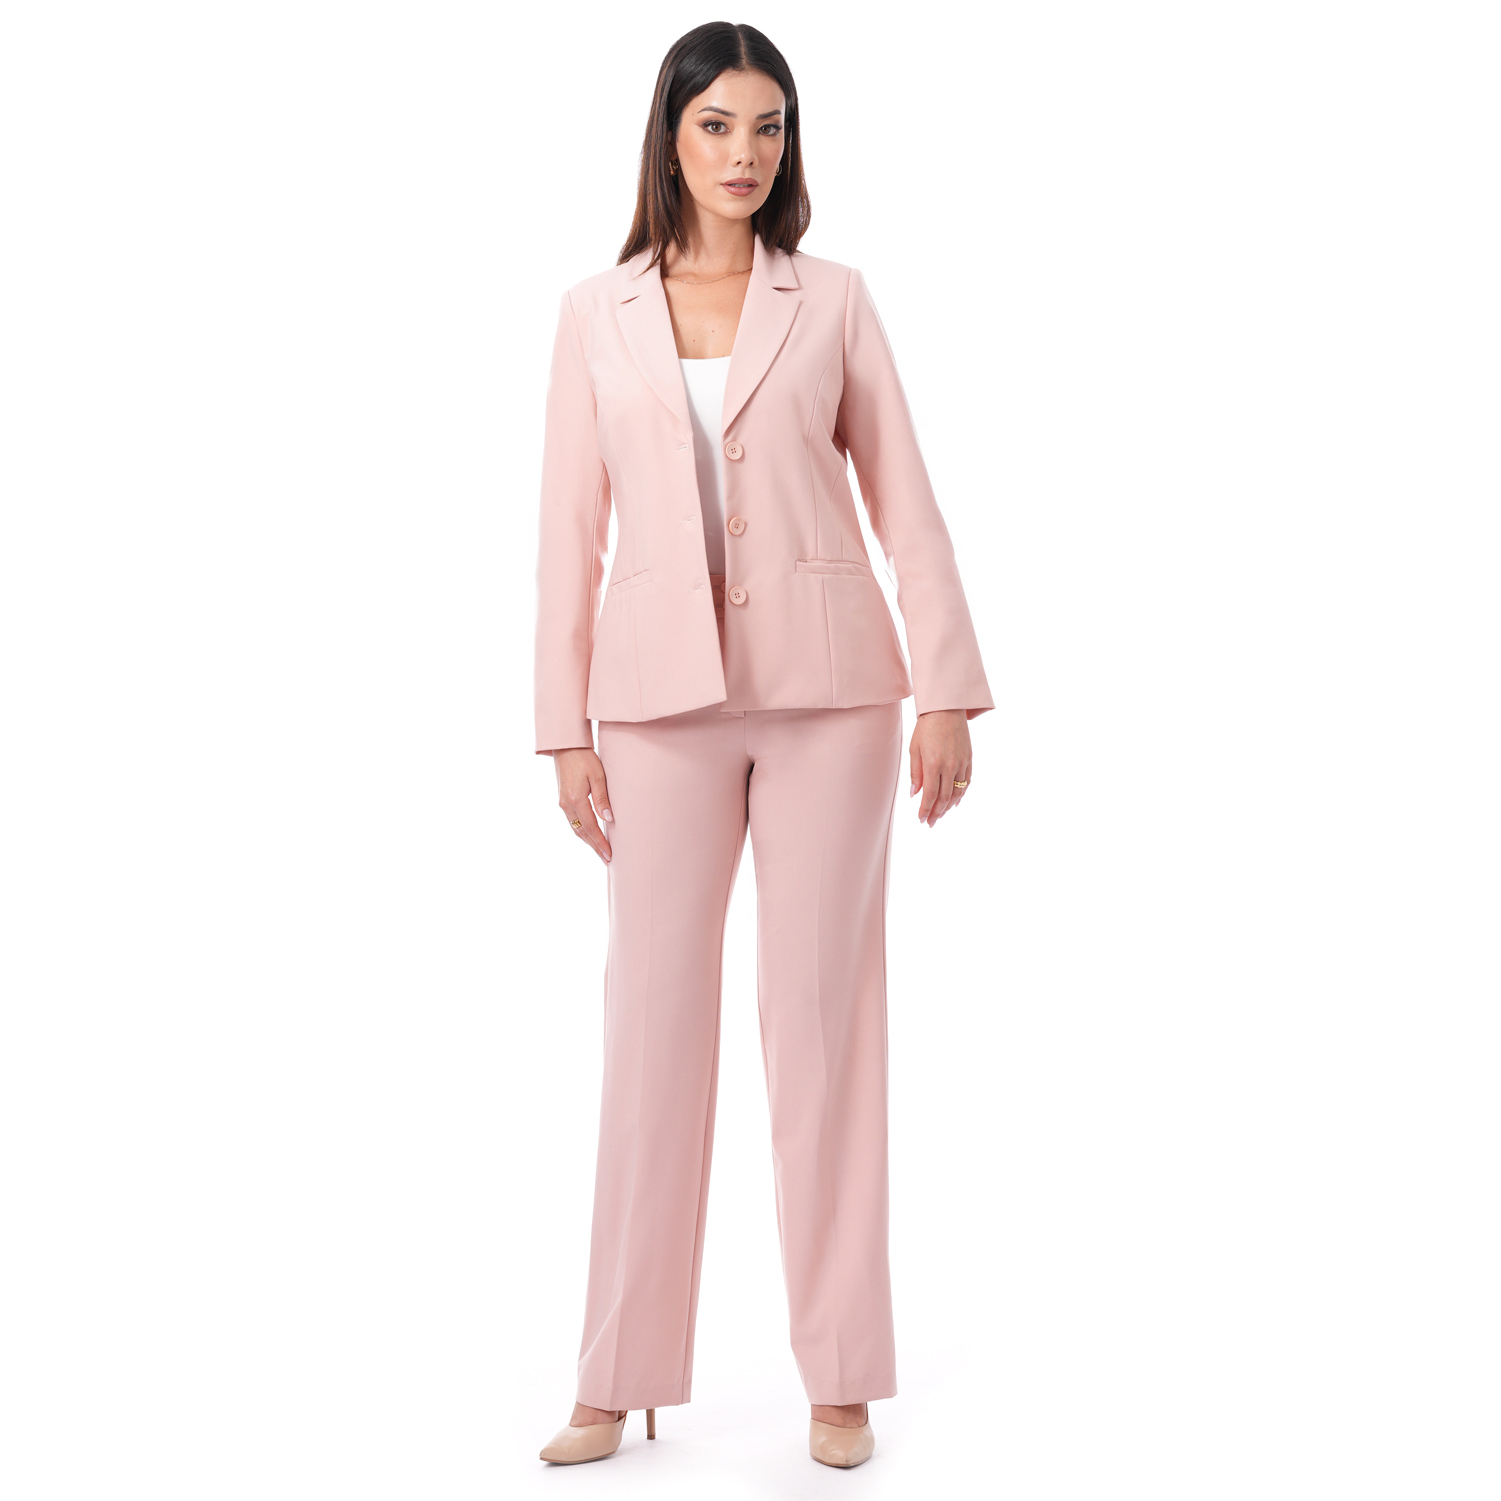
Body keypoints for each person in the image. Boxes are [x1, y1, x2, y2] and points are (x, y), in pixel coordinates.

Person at [533, 21, 992, 1471]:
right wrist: (560, 729)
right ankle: (617, 1371)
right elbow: (566, 532)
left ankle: (841, 1373)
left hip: (830, 699)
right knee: (649, 1034)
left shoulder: (833, 300)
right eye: (718, 125)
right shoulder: (594, 313)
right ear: (670, 137)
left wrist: (945, 689)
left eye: (768, 127)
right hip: (653, 710)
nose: (745, 154)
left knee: (824, 1028)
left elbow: (905, 496)